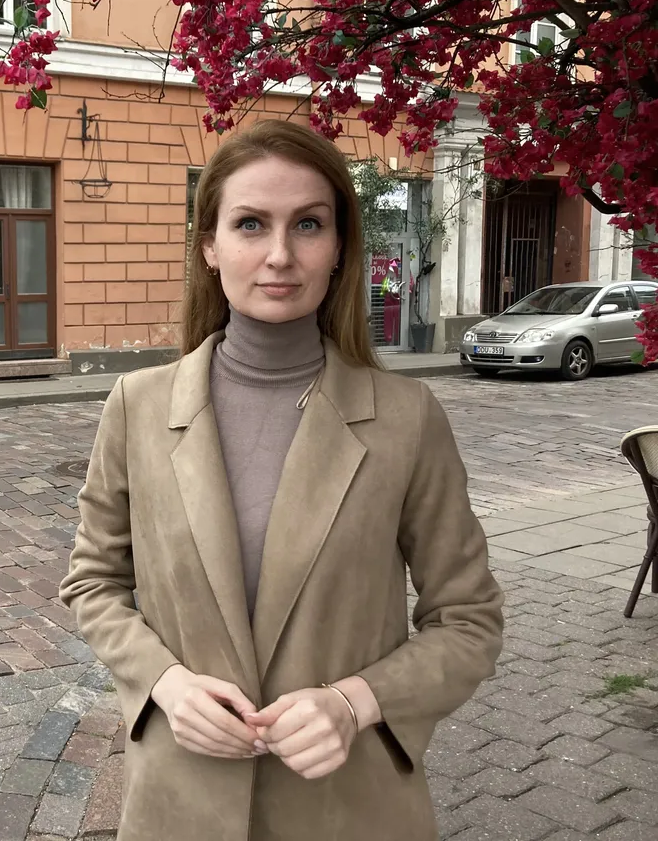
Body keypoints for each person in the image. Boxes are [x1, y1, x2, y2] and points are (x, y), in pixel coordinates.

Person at [59, 121, 504, 841]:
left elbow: (468, 618)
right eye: (249, 224)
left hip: (347, 804)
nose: (279, 255)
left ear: (340, 247)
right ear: (209, 246)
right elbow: (94, 583)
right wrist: (165, 683)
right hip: (183, 800)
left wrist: (357, 702)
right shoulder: (138, 407)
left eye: (308, 224)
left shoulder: (406, 418)